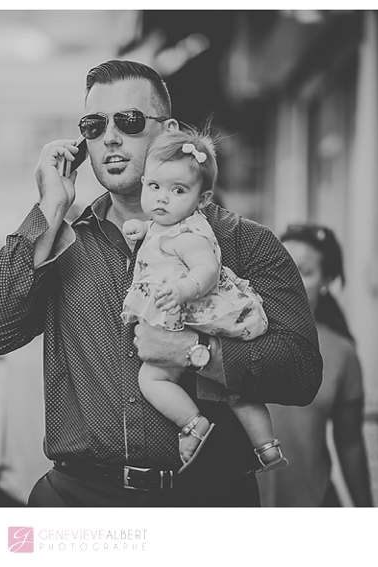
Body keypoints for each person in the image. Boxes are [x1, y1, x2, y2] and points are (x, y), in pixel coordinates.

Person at [0, 59, 323, 506]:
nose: (110, 137)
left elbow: (301, 372)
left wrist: (198, 352)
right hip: (78, 501)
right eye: (94, 126)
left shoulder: (243, 241)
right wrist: (49, 208)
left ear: (169, 131)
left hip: (207, 504)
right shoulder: (63, 242)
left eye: (129, 121)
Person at [121, 127, 286, 474]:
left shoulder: (190, 236)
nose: (162, 199)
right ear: (144, 184)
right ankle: (267, 447)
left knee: (152, 379)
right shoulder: (170, 224)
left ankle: (192, 424)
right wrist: (143, 229)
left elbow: (206, 270)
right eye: (154, 187)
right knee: (233, 391)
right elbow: (160, 234)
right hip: (199, 320)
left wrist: (183, 289)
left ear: (203, 198)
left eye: (178, 190)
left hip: (194, 315)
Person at [257, 224, 373, 506]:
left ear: (326, 280)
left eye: (304, 271)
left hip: (312, 501)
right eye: (280, 265)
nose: (287, 279)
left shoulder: (342, 353)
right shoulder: (237, 331)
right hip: (240, 500)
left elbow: (350, 444)